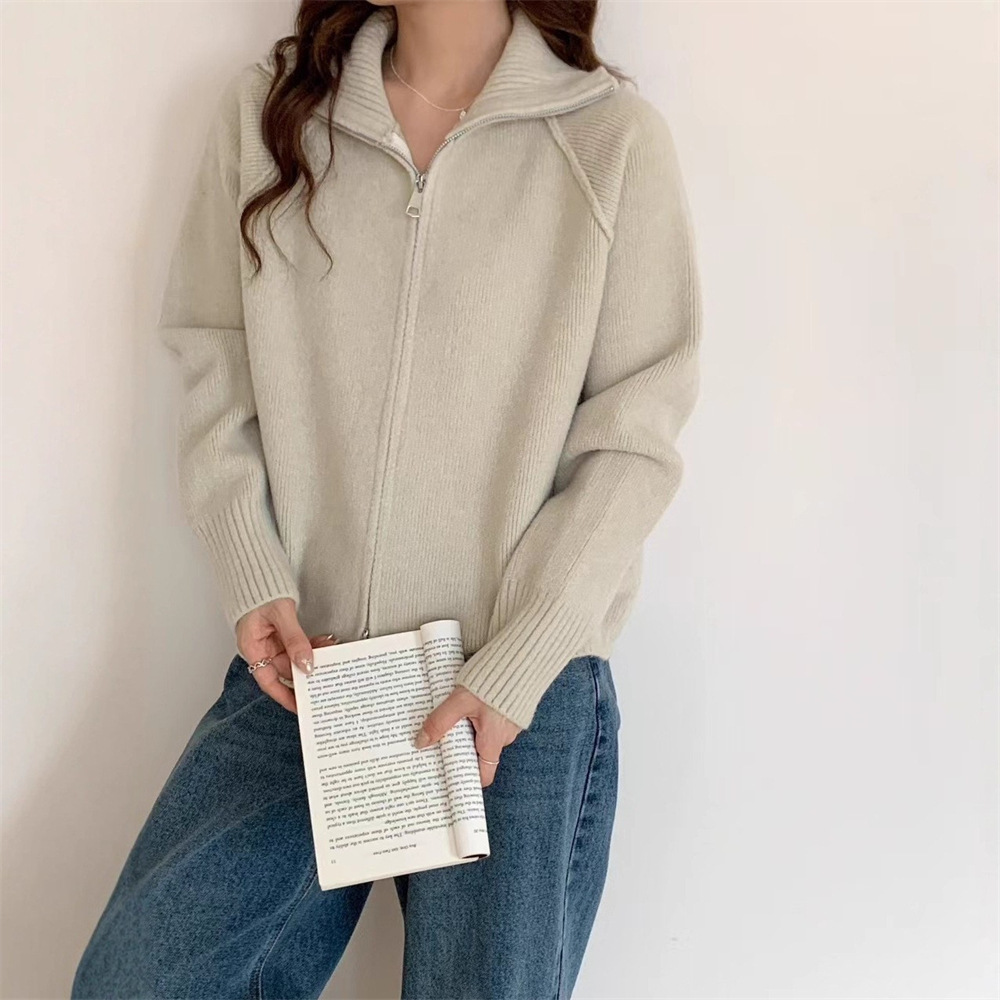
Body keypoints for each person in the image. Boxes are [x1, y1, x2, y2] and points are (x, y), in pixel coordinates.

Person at [71, 1, 701, 997]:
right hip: (312, 674)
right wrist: (252, 567)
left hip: (514, 695)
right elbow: (213, 355)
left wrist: (522, 657)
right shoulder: (275, 113)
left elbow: (633, 438)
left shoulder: (606, 140)